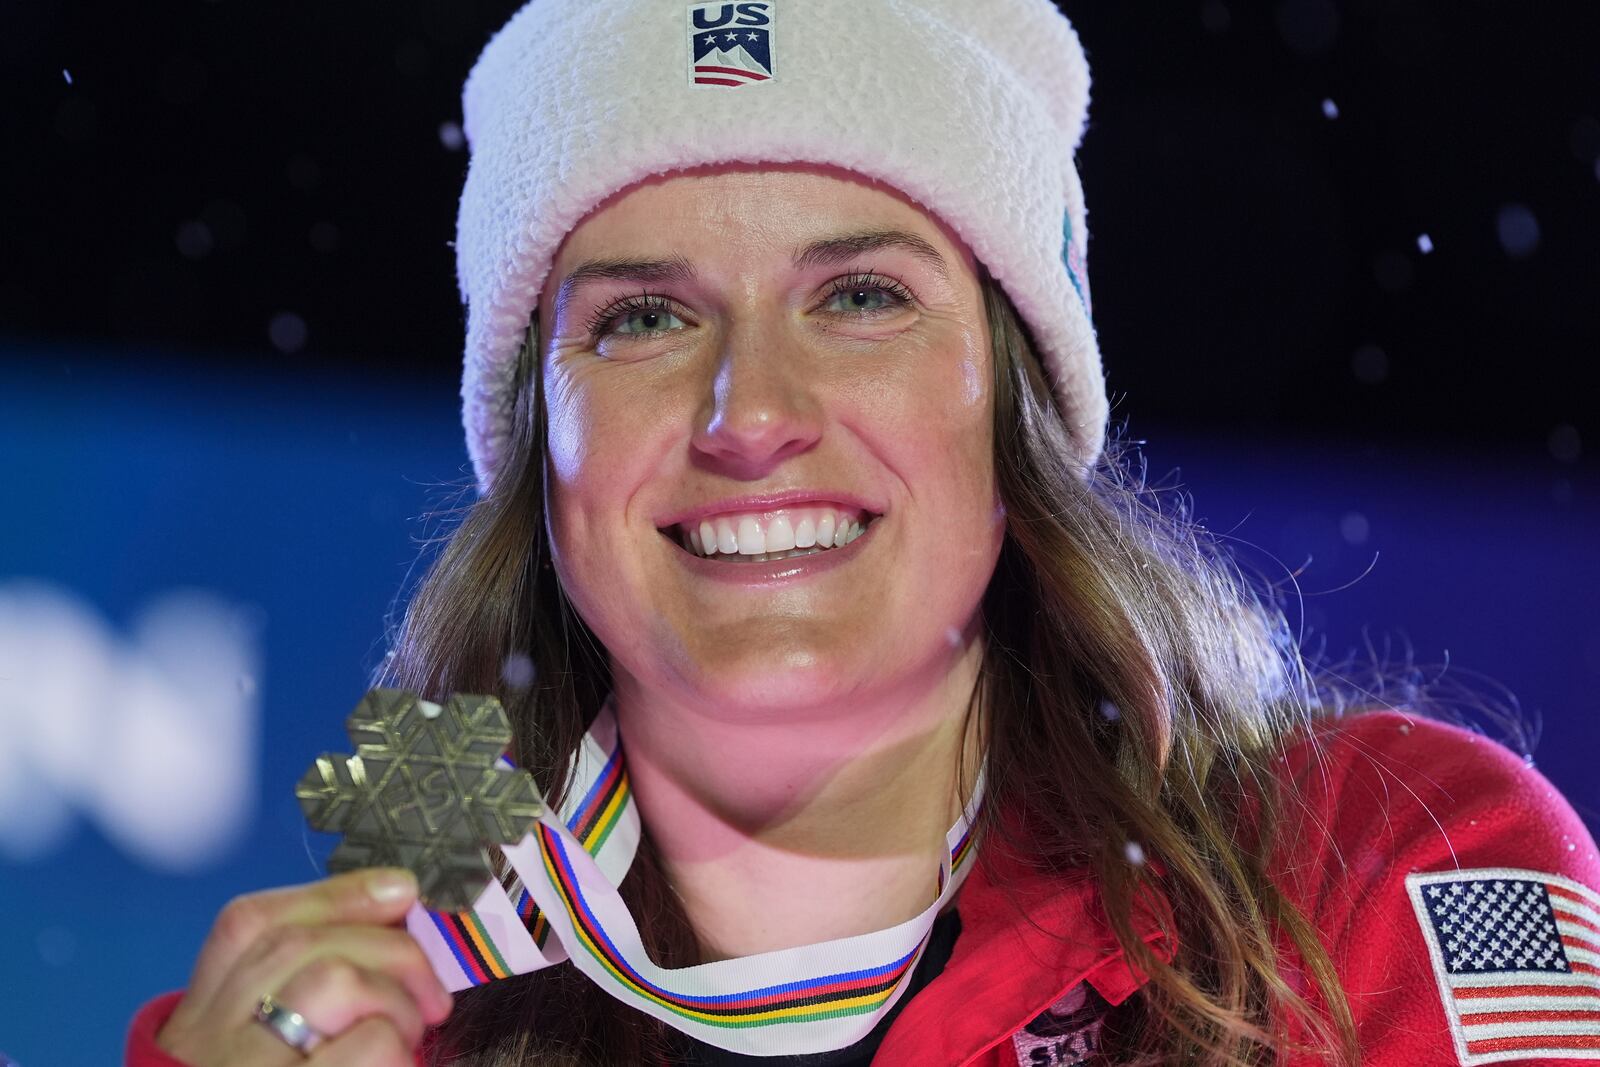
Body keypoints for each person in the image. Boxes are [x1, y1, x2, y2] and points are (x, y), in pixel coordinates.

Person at [126, 1, 1600, 1064]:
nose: (748, 412)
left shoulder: (1373, 868)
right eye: (642, 317)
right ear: (540, 455)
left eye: (861, 297)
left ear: (1019, 398)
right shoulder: (346, 1009)